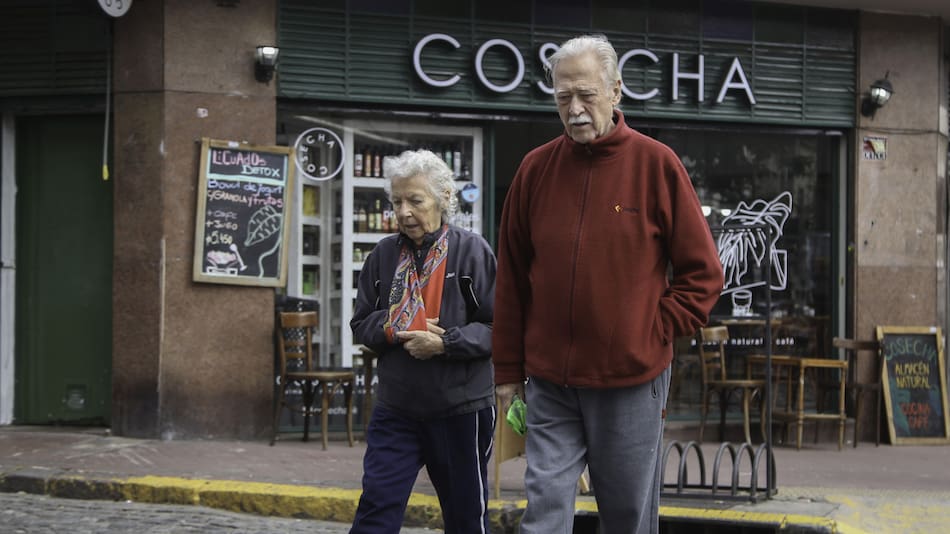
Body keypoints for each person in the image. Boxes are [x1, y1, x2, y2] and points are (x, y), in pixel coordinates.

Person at [492, 35, 723, 534]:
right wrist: (507, 374)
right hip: (550, 383)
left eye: (586, 95)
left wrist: (650, 328)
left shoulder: (656, 165)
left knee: (627, 518)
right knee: (544, 512)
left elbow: (703, 275)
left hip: (631, 384)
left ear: (616, 92)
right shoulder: (535, 170)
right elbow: (510, 279)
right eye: (562, 98)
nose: (574, 109)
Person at [349, 149, 497, 534]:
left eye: (415, 200)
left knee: (466, 518)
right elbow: (360, 323)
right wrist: (393, 324)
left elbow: (501, 328)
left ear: (444, 198)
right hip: (397, 409)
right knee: (376, 509)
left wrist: (446, 342)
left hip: (461, 409)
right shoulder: (382, 255)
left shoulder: (472, 251)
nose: (403, 211)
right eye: (397, 201)